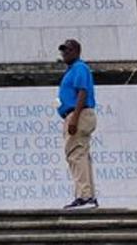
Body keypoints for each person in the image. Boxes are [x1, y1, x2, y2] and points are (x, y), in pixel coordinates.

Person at [57, 38, 98, 209]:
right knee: (81, 154)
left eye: (68, 50)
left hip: (78, 114)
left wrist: (74, 118)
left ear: (76, 51)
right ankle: (88, 195)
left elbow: (82, 91)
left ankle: (85, 196)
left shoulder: (80, 67)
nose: (64, 53)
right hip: (75, 114)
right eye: (63, 50)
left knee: (75, 154)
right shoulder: (73, 69)